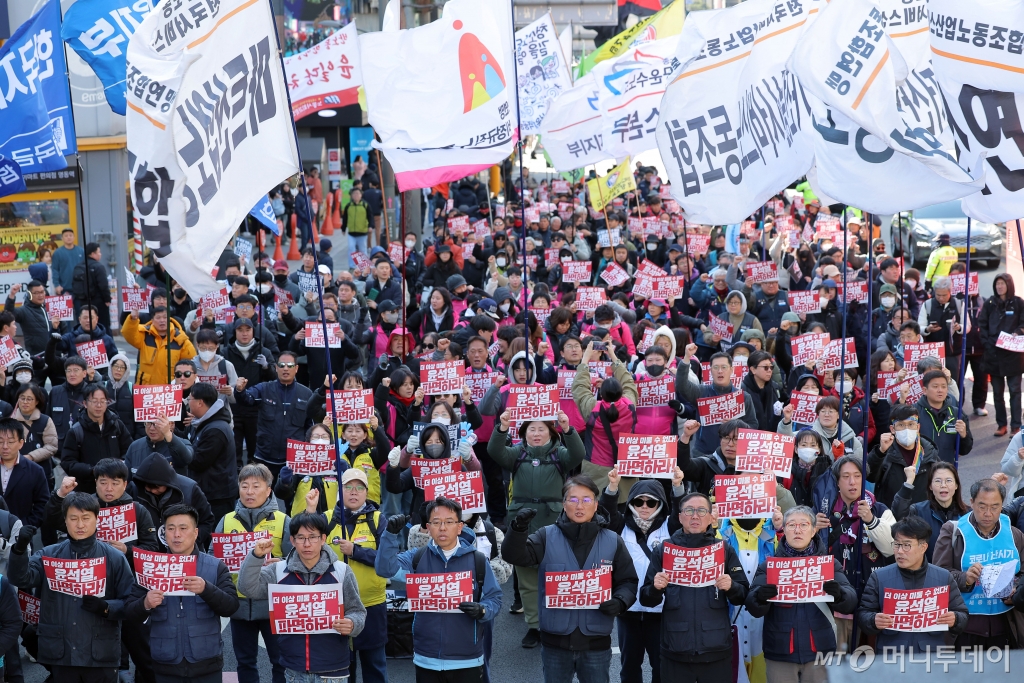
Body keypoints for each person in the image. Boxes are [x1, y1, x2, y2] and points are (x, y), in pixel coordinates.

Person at [501, 475, 638, 683]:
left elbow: (628, 581)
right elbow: (515, 556)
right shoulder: (545, 536)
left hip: (596, 644)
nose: (579, 506)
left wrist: (620, 601)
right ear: (564, 504)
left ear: (596, 504)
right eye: (573, 500)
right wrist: (518, 529)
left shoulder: (613, 540)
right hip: (555, 643)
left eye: (586, 499)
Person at [8, 491, 136, 683]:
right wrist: (19, 550)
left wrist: (106, 607)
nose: (80, 524)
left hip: (100, 652)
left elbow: (131, 601)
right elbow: (21, 578)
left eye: (86, 518)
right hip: (61, 650)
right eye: (73, 518)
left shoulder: (114, 558)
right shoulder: (49, 554)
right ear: (65, 521)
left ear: (96, 519)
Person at [375, 496, 503, 683]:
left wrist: (482, 610)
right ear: (428, 527)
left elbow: (495, 598)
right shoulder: (416, 559)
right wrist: (389, 536)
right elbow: (384, 569)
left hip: (467, 659)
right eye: (436, 522)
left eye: (449, 522)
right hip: (427, 658)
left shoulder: (478, 561)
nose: (442, 527)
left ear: (460, 527)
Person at [487, 410, 584, 648]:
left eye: (542, 429)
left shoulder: (560, 454)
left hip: (553, 523)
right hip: (522, 525)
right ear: (524, 433)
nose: (537, 433)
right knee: (528, 581)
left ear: (550, 432)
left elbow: (578, 453)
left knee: (557, 575)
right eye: (532, 429)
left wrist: (567, 428)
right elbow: (494, 451)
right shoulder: (517, 454)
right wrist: (502, 428)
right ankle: (534, 626)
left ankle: (559, 623)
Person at [238, 512, 367, 683]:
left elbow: (357, 611)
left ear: (323, 539)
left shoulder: (341, 570)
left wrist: (351, 623)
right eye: (301, 538)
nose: (307, 544)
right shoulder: (278, 570)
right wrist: (256, 556)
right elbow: (247, 588)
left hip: (333, 667)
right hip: (293, 667)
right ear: (292, 540)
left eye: (313, 537)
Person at [639, 492, 749, 683]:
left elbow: (743, 595)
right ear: (680, 516)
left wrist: (731, 586)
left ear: (711, 517)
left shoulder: (723, 549)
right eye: (689, 510)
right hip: (675, 650)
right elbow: (645, 598)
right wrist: (656, 588)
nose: (695, 516)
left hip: (717, 650)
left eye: (701, 511)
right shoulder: (664, 550)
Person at [124, 504, 240, 683]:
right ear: (164, 534)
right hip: (165, 663)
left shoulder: (215, 566)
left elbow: (231, 607)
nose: (176, 534)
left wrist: (206, 589)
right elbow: (129, 613)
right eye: (171, 529)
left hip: (206, 662)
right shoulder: (149, 567)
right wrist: (145, 603)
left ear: (195, 533)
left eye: (183, 528)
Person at [745, 506, 858, 682]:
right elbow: (752, 605)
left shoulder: (828, 564)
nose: (797, 530)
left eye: (804, 525)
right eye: (791, 525)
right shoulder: (769, 566)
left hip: (820, 649)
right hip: (780, 651)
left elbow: (850, 600)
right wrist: (760, 596)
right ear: (784, 529)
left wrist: (839, 594)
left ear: (813, 530)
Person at [601, 473, 684, 683]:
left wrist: (677, 486)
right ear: (631, 503)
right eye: (639, 501)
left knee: (661, 665)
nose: (644, 506)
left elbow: (680, 510)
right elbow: (607, 511)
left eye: (651, 502)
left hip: (661, 609)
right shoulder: (621, 525)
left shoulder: (670, 526)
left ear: (660, 504)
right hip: (628, 609)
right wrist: (612, 486)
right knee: (629, 665)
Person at [310, 468, 388, 683]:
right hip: (335, 606)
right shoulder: (326, 518)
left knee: (375, 667)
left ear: (366, 491)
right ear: (340, 490)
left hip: (371, 604)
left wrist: (356, 551)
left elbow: (388, 561)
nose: (354, 492)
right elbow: (306, 549)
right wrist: (309, 510)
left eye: (359, 487)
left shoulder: (379, 519)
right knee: (343, 668)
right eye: (348, 487)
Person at [216, 463, 292, 683]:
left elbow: (296, 560)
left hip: (272, 606)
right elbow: (214, 558)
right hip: (238, 604)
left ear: (269, 490)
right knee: (245, 662)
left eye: (256, 486)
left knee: (280, 661)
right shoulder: (227, 520)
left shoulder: (282, 520)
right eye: (244, 486)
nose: (249, 492)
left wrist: (282, 563)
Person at [934, 478, 1024, 649]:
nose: (988, 513)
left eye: (994, 507)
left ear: (1002, 505)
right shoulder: (954, 531)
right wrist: (965, 578)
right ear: (972, 503)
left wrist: (1016, 590)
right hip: (966, 627)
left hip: (1005, 625)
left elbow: (1023, 572)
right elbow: (938, 575)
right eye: (982, 506)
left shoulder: (1014, 534)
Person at [857, 516, 969, 651]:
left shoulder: (943, 577)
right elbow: (863, 614)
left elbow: (962, 615)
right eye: (897, 544)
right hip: (891, 656)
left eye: (906, 545)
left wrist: (955, 619)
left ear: (923, 547)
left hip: (931, 657)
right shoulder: (879, 577)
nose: (899, 551)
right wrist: (873, 620)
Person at [233, 351, 313, 480]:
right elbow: (247, 399)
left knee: (292, 498)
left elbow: (310, 427)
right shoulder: (265, 388)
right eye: (281, 365)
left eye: (290, 365)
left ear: (296, 368)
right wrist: (240, 391)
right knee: (262, 497)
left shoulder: (306, 394)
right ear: (276, 368)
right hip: (264, 457)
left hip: (293, 460)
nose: (285, 368)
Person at [677, 349, 757, 458]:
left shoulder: (743, 397)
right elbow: (682, 386)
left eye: (724, 367)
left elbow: (753, 426)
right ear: (710, 371)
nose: (720, 371)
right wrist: (686, 358)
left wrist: (736, 425)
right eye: (715, 367)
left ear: (731, 370)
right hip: (702, 453)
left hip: (732, 455)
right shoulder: (701, 392)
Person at [131, 454, 216, 551]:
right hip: (149, 555)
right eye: (148, 487)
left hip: (186, 554)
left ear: (166, 482)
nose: (153, 491)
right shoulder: (135, 490)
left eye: (156, 487)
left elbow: (207, 521)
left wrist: (189, 544)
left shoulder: (190, 489)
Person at [60, 383, 134, 494]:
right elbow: (68, 462)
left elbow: (130, 450)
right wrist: (92, 470)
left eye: (102, 401)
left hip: (115, 489)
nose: (99, 405)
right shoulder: (76, 431)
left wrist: (120, 463)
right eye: (94, 401)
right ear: (85, 403)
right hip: (87, 491)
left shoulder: (116, 425)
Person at [866, 404, 941, 509]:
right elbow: (869, 475)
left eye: (911, 424)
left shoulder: (929, 452)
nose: (907, 429)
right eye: (901, 425)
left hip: (923, 515)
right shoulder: (885, 452)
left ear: (918, 427)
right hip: (891, 515)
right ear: (892, 429)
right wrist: (880, 452)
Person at [979, 274, 1024, 437]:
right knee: (997, 392)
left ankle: (1016, 426)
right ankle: (1001, 424)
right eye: (997, 283)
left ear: (1009, 285)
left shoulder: (1018, 302)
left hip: (1013, 355)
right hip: (993, 353)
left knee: (1015, 391)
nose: (999, 287)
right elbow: (982, 323)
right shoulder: (990, 303)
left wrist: (1018, 332)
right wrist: (985, 341)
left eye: (1002, 284)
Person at [187, 382, 237, 521]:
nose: (188, 402)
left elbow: (198, 461)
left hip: (217, 496)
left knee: (214, 536)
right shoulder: (201, 422)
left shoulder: (215, 430)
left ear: (200, 403)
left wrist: (171, 439)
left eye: (190, 399)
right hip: (209, 492)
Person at [122, 308, 198, 386]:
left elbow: (192, 362)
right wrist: (132, 319)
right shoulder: (144, 334)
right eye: (158, 318)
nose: (162, 320)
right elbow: (128, 334)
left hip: (170, 390)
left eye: (165, 317)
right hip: (145, 389)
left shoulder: (180, 339)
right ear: (152, 320)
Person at [0, 416, 49, 528]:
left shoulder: (35, 471)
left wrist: (25, 526)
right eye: (0, 441)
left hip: (21, 534)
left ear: (21, 443)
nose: (5, 447)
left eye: (10, 442)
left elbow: (42, 505)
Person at [125, 417, 195, 477]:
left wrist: (168, 434)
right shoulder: (135, 447)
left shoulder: (183, 443)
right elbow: (126, 479)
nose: (152, 428)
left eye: (157, 424)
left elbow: (186, 459)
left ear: (170, 424)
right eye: (148, 423)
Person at [5, 280, 55, 356]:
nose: (41, 295)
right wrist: (12, 295)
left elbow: (63, 329)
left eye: (42, 292)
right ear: (29, 294)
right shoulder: (24, 311)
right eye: (36, 293)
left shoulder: (52, 308)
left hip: (55, 353)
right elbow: (9, 314)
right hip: (36, 355)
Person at [72, 242, 112, 329]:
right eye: (99, 252)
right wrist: (107, 299)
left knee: (86, 327)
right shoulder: (98, 267)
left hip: (82, 302)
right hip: (98, 302)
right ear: (93, 254)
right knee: (102, 326)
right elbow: (103, 285)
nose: (100, 254)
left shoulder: (78, 266)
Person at [342, 187, 372, 267]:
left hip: (362, 232)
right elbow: (345, 218)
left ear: (361, 195)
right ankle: (352, 266)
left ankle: (365, 266)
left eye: (358, 194)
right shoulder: (348, 206)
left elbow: (370, 217)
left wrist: (370, 226)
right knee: (351, 249)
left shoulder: (365, 205)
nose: (356, 195)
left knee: (363, 250)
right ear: (351, 195)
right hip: (351, 233)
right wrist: (343, 228)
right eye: (354, 194)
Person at [51, 228, 84, 297]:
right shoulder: (57, 253)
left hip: (81, 287)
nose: (68, 237)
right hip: (64, 289)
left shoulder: (81, 251)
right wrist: (56, 285)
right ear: (62, 238)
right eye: (66, 236)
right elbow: (55, 270)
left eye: (70, 235)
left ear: (74, 237)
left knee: (81, 308)